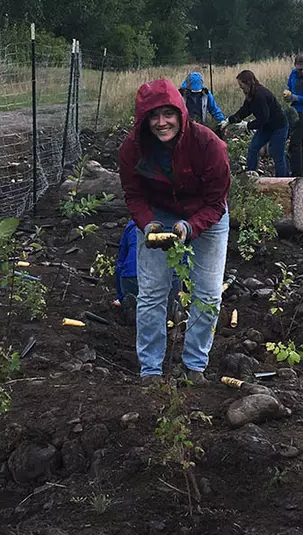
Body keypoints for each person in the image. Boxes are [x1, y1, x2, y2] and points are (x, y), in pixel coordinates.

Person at [118, 79, 231, 385]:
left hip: (206, 218)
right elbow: (134, 195)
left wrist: (190, 227)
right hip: (158, 215)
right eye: (153, 116)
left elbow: (216, 202)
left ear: (181, 113)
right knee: (152, 293)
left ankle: (195, 367)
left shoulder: (209, 146)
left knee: (207, 294)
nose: (161, 122)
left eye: (168, 113)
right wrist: (148, 224)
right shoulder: (133, 148)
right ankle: (151, 370)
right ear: (144, 119)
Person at [114, 219, 183, 326]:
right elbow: (184, 265)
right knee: (172, 284)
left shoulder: (134, 224)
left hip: (131, 275)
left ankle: (133, 303)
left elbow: (120, 262)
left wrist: (121, 296)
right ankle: (173, 311)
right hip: (165, 278)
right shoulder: (177, 226)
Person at [221, 70, 289, 177]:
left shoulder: (260, 95)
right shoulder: (250, 94)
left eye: (241, 85)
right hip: (266, 127)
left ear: (248, 83)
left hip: (278, 127)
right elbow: (245, 110)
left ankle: (283, 180)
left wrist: (247, 126)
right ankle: (250, 175)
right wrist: (230, 120)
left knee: (277, 154)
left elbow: (264, 118)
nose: (240, 88)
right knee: (253, 148)